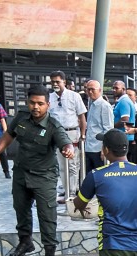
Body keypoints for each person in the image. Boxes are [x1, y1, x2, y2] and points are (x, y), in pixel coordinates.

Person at [0, 84, 75, 256]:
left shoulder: (53, 125)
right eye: (32, 103)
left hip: (44, 176)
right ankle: (25, 242)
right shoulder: (21, 116)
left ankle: (50, 254)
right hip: (21, 172)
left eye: (40, 104)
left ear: (48, 105)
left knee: (47, 215)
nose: (36, 107)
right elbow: (9, 134)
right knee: (21, 209)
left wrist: (68, 150)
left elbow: (65, 142)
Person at [48, 71, 86, 202]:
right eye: (52, 81)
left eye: (57, 81)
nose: (55, 84)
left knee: (72, 164)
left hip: (72, 132)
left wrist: (82, 134)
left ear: (64, 82)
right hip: (57, 133)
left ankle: (72, 192)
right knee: (61, 165)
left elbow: (82, 117)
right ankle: (66, 191)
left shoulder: (74, 96)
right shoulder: (50, 97)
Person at [83, 79, 114, 180]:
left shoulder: (104, 106)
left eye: (93, 89)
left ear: (100, 90)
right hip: (89, 147)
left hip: (98, 148)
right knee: (90, 176)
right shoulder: (92, 104)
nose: (90, 92)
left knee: (100, 176)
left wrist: (104, 148)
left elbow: (108, 128)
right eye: (88, 89)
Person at [111, 81, 136, 145]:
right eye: (113, 88)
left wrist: (112, 126)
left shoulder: (124, 101)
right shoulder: (122, 101)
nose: (114, 90)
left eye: (116, 88)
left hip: (125, 138)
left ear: (123, 89)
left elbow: (124, 120)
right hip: (124, 137)